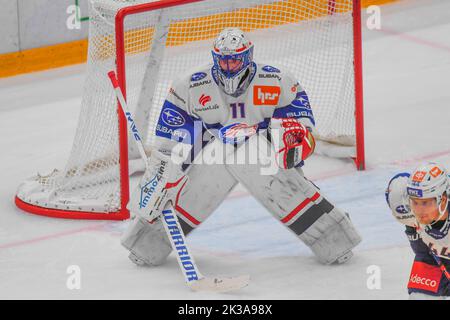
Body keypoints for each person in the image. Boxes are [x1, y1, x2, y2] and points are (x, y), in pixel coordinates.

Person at [121, 27, 361, 268]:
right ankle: (148, 242)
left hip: (266, 159)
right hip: (211, 158)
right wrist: (161, 178)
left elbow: (304, 135)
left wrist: (287, 140)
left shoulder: (277, 81)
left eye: (235, 59)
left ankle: (332, 237)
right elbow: (171, 142)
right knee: (217, 157)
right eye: (223, 61)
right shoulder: (190, 86)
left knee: (247, 152)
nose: (229, 66)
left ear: (248, 56)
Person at [386, 162, 450, 299]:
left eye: (426, 203)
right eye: (415, 202)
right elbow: (397, 184)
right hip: (430, 257)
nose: (419, 211)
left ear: (443, 200)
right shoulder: (402, 202)